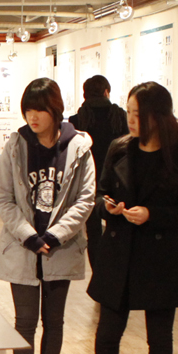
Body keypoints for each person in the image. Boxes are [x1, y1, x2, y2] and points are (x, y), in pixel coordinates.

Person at [88, 81, 178, 354]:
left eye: (137, 113)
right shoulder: (119, 148)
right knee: (108, 334)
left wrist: (152, 214)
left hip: (160, 256)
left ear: (157, 116)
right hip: (119, 251)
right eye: (130, 112)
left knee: (160, 339)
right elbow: (101, 193)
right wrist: (108, 207)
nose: (131, 119)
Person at [0, 78, 96, 354]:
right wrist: (28, 235)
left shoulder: (78, 147)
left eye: (40, 110)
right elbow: (3, 198)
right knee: (24, 322)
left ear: (55, 110)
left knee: (54, 321)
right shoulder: (16, 145)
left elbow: (85, 199)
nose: (32, 117)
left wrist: (55, 234)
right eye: (28, 110)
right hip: (23, 248)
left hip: (59, 249)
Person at [69, 74, 128, 269]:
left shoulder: (77, 120)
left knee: (93, 231)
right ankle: (114, 271)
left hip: (88, 181)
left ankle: (98, 274)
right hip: (116, 181)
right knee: (116, 228)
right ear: (106, 92)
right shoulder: (119, 117)